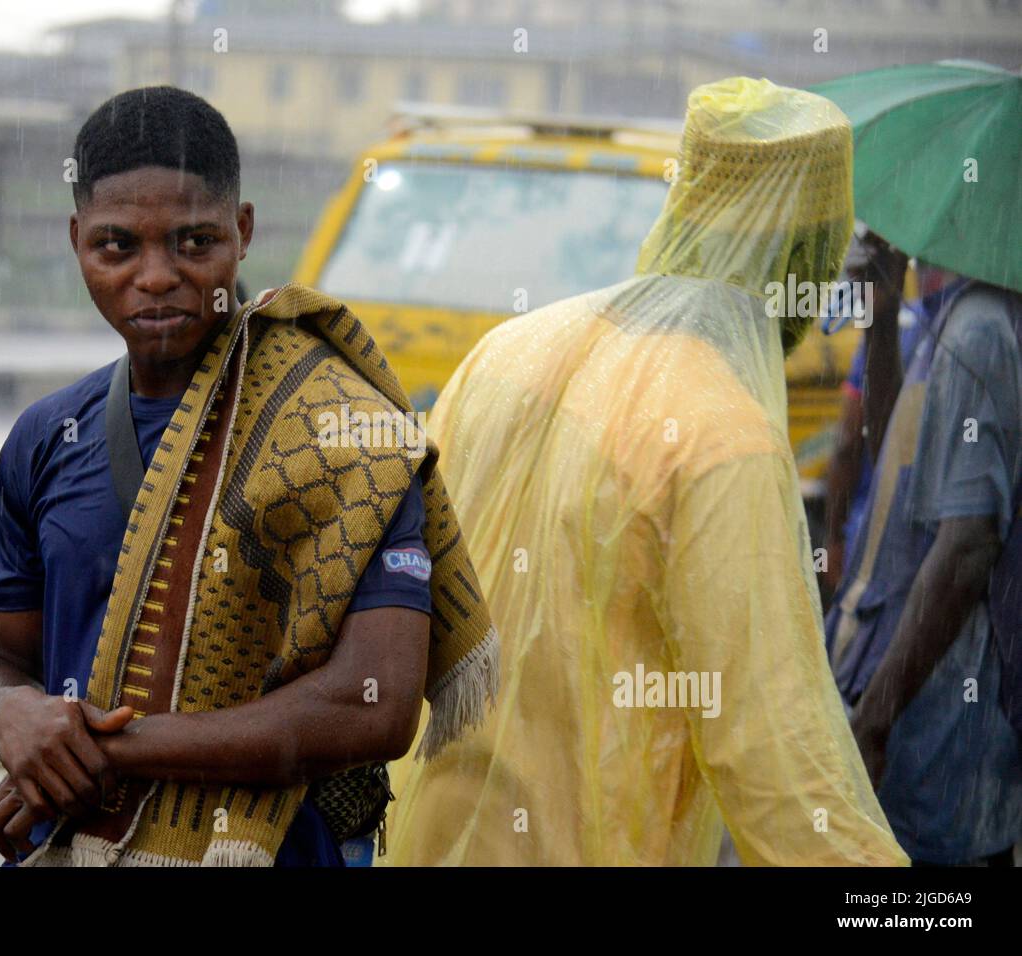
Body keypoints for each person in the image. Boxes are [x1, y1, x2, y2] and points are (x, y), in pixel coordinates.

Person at [0, 87, 497, 868]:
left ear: (242, 233)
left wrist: (109, 749)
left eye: (193, 242)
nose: (156, 276)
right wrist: (14, 716)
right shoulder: (46, 437)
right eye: (117, 247)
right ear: (77, 241)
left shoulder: (342, 434)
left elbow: (371, 706)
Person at [384, 77, 907, 866]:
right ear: (810, 252)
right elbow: (772, 756)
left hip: (435, 837)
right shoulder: (724, 437)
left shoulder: (506, 351)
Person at [826, 230, 1022, 866]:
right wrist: (882, 324)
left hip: (940, 741)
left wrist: (875, 720)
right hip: (902, 706)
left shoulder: (980, 332)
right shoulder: (950, 320)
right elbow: (897, 466)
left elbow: (968, 544)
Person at [822, 235, 947, 594]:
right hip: (930, 554)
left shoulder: (890, 325)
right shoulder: (968, 334)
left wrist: (833, 538)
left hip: (871, 536)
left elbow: (848, 442)